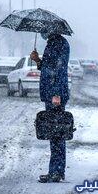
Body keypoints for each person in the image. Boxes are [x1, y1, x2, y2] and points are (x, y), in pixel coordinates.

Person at [30, 31, 70, 183]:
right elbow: (48, 67)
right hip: (52, 93)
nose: (42, 32)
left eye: (44, 30)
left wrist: (56, 94)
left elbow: (58, 69)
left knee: (57, 133)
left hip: (55, 95)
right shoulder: (53, 43)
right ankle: (55, 170)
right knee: (54, 133)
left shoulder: (58, 43)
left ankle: (57, 171)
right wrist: (38, 61)